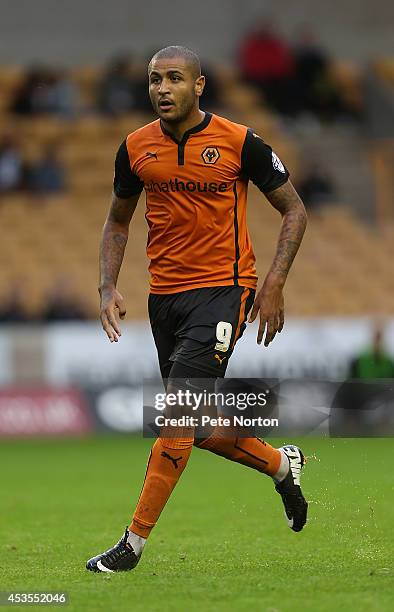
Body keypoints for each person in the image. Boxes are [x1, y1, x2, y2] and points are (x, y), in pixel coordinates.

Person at [86, 46, 308, 573]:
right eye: (154, 80)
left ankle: (132, 545)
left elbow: (294, 210)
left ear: (199, 85)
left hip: (225, 291)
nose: (162, 89)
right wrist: (106, 285)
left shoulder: (239, 142)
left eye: (174, 79)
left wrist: (274, 281)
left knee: (176, 416)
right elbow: (118, 222)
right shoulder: (136, 148)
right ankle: (281, 466)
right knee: (195, 425)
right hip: (165, 298)